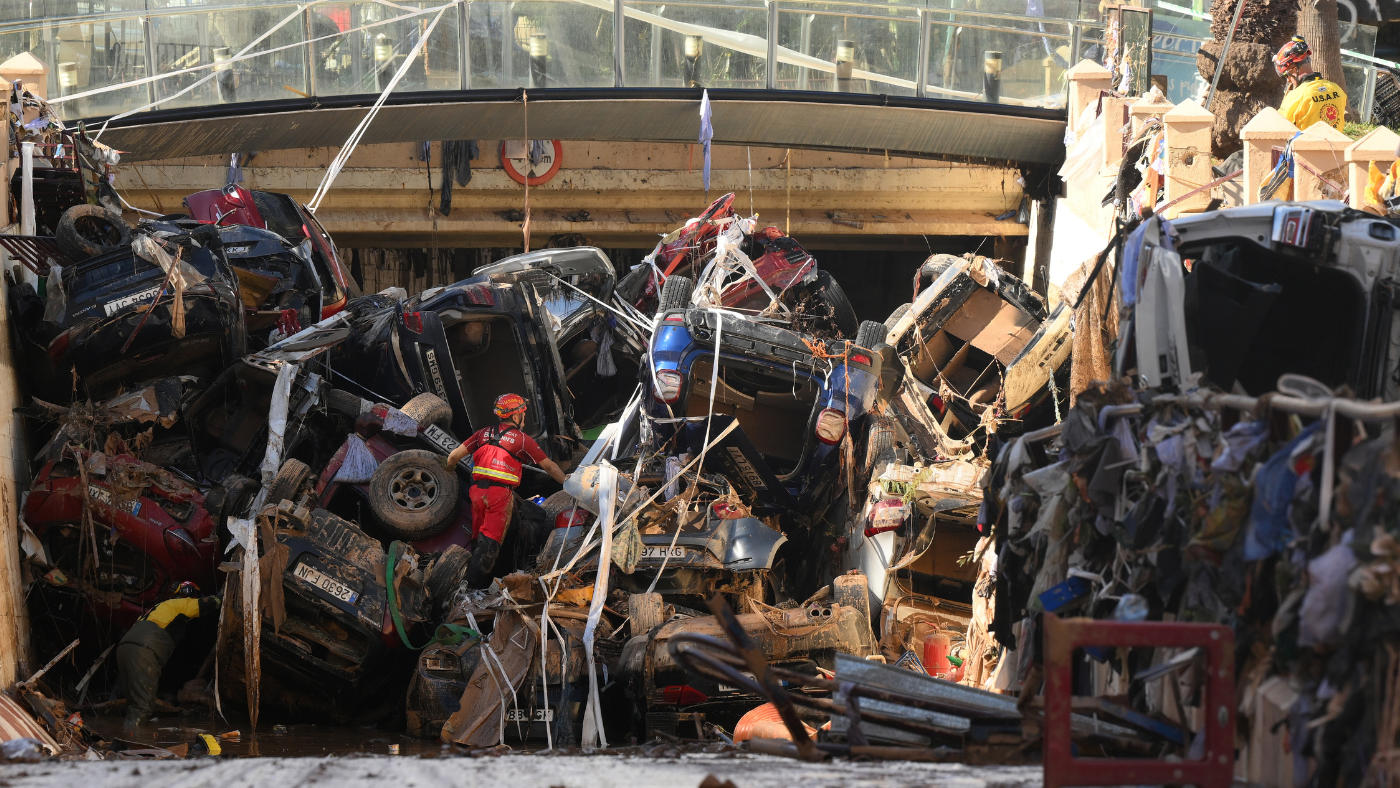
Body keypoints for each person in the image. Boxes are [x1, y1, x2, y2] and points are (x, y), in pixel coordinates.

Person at [444, 393, 567, 586]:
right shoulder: (522, 440)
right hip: (498, 495)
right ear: (516, 416)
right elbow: (550, 467)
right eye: (523, 414)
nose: (524, 418)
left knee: (479, 538)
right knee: (490, 544)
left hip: (476, 492)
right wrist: (567, 482)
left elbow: (452, 457)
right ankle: (471, 589)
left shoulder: (482, 433)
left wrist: (448, 470)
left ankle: (490, 575)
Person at [116, 582, 221, 728]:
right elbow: (206, 605)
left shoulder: (157, 609)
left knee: (133, 703)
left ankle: (123, 736)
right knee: (142, 706)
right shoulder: (179, 604)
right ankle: (134, 741)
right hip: (143, 652)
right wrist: (221, 597)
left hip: (124, 649)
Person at [1275, 35, 1347, 132]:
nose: (1288, 80)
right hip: (1336, 145)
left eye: (1286, 75)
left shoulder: (1296, 96)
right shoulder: (1337, 89)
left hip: (1306, 146)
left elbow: (1278, 127)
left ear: (1294, 68)